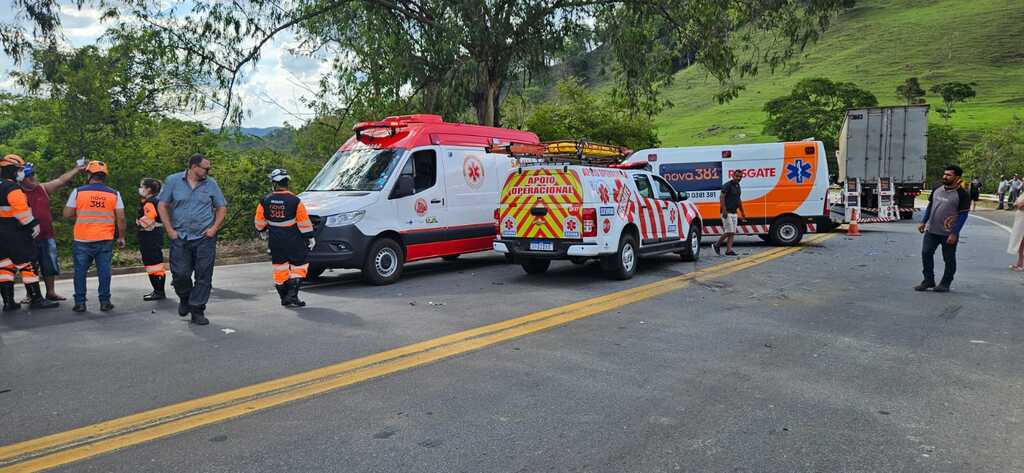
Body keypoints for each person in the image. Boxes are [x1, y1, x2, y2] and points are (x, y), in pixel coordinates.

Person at [157, 154, 227, 326]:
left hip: (204, 237)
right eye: (206, 168)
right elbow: (162, 205)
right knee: (180, 274)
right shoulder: (173, 181)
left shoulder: (211, 183)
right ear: (194, 167)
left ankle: (197, 310)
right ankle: (185, 297)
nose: (208, 171)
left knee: (204, 275)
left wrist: (214, 228)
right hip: (180, 236)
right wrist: (170, 230)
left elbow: (221, 207)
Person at [18, 160, 86, 303]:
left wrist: (77, 169)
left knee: (49, 265)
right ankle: (30, 295)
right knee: (30, 267)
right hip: (26, 238)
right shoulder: (16, 193)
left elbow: (61, 180)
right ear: (22, 179)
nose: (34, 178)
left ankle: (51, 292)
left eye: (34, 175)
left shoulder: (42, 188)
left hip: (46, 236)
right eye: (30, 177)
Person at [64, 160, 127, 312]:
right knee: (104, 271)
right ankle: (105, 302)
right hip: (104, 239)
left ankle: (80, 303)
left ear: (89, 174)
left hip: (82, 239)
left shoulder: (78, 192)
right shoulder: (114, 194)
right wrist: (121, 237)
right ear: (104, 175)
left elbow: (66, 214)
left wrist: (80, 213)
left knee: (80, 272)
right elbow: (121, 218)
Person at [0, 154, 58, 311]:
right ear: (12, 170)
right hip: (17, 235)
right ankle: (37, 299)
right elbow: (21, 211)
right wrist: (34, 223)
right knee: (29, 265)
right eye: (19, 169)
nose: (21, 172)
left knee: (5, 268)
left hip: (2, 238)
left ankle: (8, 302)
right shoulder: (12, 188)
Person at [254, 169, 315, 307]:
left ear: (274, 184)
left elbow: (259, 221)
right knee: (299, 266)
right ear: (287, 183)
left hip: (275, 241)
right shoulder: (295, 201)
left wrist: (262, 231)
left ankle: (285, 298)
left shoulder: (265, 200)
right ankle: (292, 295)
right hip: (294, 240)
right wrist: (309, 237)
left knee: (279, 269)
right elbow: (303, 222)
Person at [915, 165, 969, 293]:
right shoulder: (937, 188)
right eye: (944, 174)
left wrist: (954, 233)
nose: (945, 177)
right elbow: (930, 205)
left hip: (948, 234)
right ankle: (928, 280)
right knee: (926, 253)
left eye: (949, 175)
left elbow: (963, 215)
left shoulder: (962, 194)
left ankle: (945, 283)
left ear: (957, 178)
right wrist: (923, 221)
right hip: (931, 230)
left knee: (949, 258)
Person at [137, 178, 167, 301]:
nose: (140, 189)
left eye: (142, 186)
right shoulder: (157, 200)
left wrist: (138, 223)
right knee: (156, 263)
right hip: (156, 235)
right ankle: (159, 291)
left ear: (148, 189)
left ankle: (158, 291)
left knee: (153, 264)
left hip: (150, 235)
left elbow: (148, 220)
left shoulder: (150, 202)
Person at [713, 169, 746, 256]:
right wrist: (724, 210)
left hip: (734, 212)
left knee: (732, 232)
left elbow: (738, 200)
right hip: (727, 212)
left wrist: (742, 213)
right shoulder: (727, 185)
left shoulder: (738, 186)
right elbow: (721, 197)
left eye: (740, 177)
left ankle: (729, 250)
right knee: (729, 231)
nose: (738, 178)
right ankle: (716, 245)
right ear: (732, 176)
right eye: (737, 176)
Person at [1007, 192, 1024, 271]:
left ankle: (1021, 264)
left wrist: (1017, 204)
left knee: (1021, 242)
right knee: (1019, 242)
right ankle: (1019, 263)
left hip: (1022, 220)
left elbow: (1020, 205)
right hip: (1020, 219)